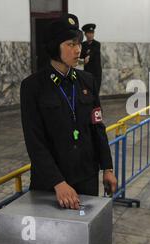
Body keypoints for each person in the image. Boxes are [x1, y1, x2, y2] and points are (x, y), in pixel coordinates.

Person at [20, 14, 117, 210]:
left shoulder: (87, 81)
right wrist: (58, 182)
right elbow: (34, 141)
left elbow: (97, 126)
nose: (78, 49)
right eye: (70, 44)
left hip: (86, 177)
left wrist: (107, 167)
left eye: (79, 44)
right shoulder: (33, 86)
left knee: (85, 235)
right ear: (55, 46)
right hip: (51, 183)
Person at [81, 24, 102, 93]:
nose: (91, 35)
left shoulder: (97, 44)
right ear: (85, 34)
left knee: (96, 91)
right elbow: (81, 55)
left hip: (96, 72)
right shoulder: (83, 45)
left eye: (92, 33)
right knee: (88, 91)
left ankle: (96, 104)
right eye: (89, 33)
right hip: (87, 72)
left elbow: (94, 51)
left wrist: (88, 56)